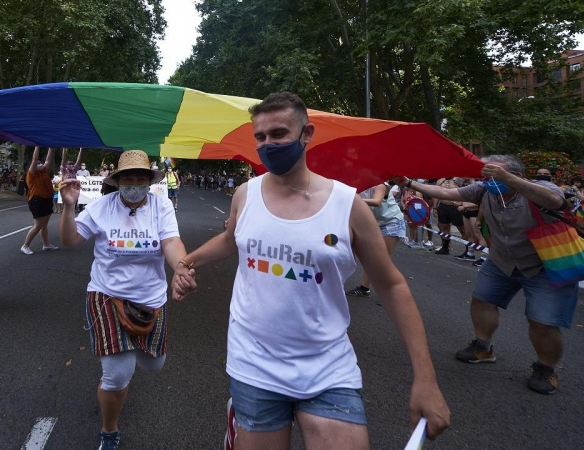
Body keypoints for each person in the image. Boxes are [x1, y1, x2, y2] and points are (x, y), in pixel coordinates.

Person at [173, 92, 449, 449]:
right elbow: (231, 239)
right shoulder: (245, 194)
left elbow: (392, 285)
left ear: (307, 134)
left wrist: (425, 378)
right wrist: (187, 261)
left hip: (328, 370)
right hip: (253, 366)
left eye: (279, 133)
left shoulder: (347, 205)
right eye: (260, 137)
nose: (268, 144)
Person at [396, 154, 575, 394]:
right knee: (482, 300)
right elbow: (447, 194)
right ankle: (483, 347)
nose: (488, 179)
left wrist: (509, 180)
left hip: (545, 266)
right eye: (486, 174)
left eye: (494, 174)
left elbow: (555, 201)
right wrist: (409, 183)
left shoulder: (540, 188)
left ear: (516, 175)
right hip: (501, 261)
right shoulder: (484, 190)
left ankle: (546, 368)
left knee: (543, 322)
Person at [58, 149, 188, 450]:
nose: (134, 184)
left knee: (154, 364)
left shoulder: (161, 205)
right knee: (117, 374)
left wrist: (182, 267)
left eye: (140, 179)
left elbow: (171, 241)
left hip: (150, 297)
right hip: (107, 293)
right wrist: (68, 208)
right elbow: (69, 240)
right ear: (117, 181)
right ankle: (109, 430)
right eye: (127, 179)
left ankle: (112, 382)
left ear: (149, 181)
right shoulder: (102, 207)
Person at [346, 182, 406, 298]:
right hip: (374, 223)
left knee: (384, 261)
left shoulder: (380, 185)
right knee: (371, 258)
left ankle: (392, 294)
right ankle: (364, 289)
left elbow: (376, 201)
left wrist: (351, 198)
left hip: (391, 222)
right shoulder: (356, 186)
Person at [21, 146, 59, 255]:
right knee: (38, 225)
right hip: (37, 200)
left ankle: (46, 244)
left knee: (44, 224)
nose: (40, 163)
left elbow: (49, 160)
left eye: (40, 162)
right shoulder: (31, 174)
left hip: (47, 199)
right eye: (38, 163)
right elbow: (34, 159)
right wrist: (37, 146)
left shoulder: (43, 171)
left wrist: (51, 147)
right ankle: (25, 245)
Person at [431, 176, 466, 255]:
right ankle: (445, 247)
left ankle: (468, 250)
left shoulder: (459, 180)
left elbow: (466, 193)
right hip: (443, 206)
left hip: (455, 207)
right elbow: (436, 194)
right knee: (443, 227)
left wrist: (462, 204)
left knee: (462, 228)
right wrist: (435, 208)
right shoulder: (440, 180)